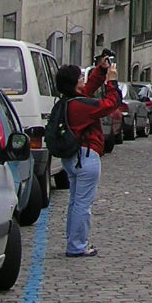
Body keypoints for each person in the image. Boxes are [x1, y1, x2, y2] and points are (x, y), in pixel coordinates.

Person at [56, 53, 124, 258]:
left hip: (72, 158)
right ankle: (77, 245)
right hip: (85, 157)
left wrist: (101, 70)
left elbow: (88, 89)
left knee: (75, 201)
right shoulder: (81, 106)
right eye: (80, 78)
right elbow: (111, 104)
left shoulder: (68, 101)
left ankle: (73, 240)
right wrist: (112, 82)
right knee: (83, 204)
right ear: (74, 84)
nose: (82, 80)